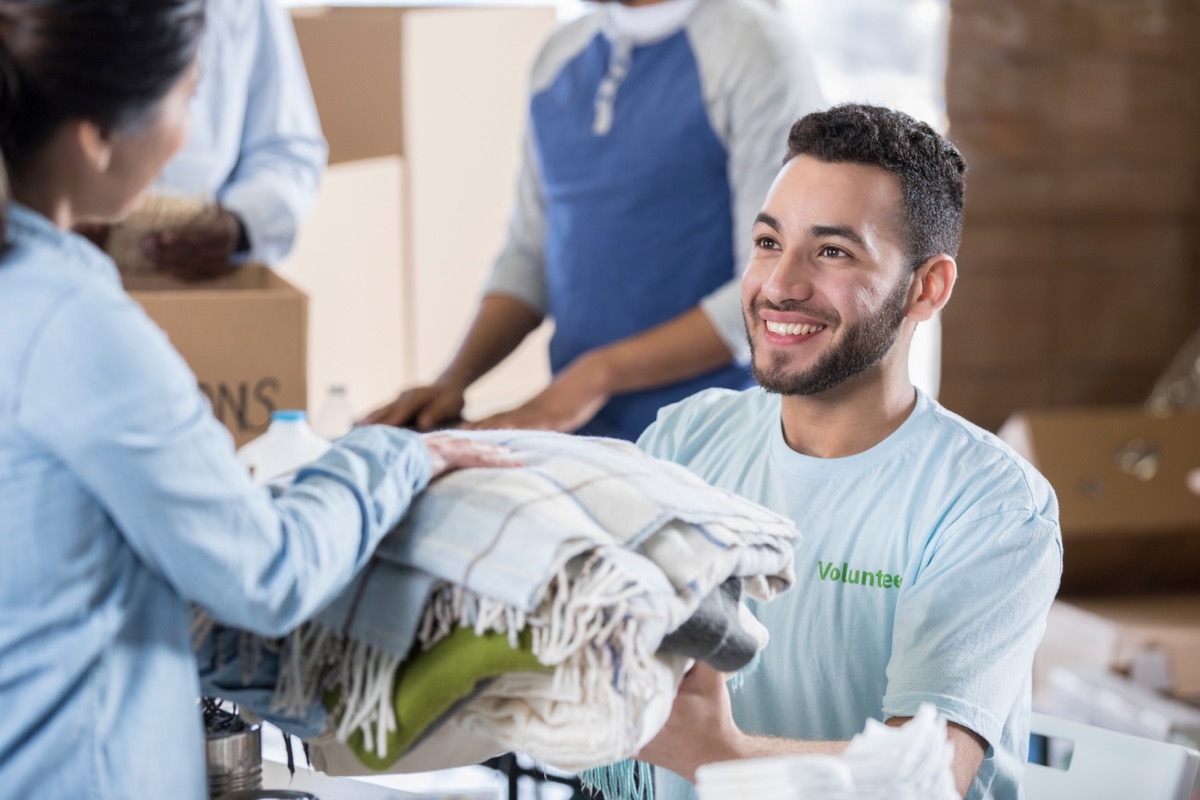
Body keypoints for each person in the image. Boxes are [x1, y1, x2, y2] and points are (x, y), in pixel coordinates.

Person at [0, 3, 508, 798]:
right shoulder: (77, 325)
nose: (187, 135)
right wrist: (393, 458)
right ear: (97, 136)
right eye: (188, 97)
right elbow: (265, 574)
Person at [634, 104, 1063, 800]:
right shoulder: (686, 441)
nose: (780, 285)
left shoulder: (992, 506)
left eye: (832, 251)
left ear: (926, 288)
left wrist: (720, 753)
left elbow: (931, 774)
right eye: (769, 242)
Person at [364, 0, 823, 441]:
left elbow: (771, 286)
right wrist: (454, 379)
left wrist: (596, 375)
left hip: (713, 429)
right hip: (582, 429)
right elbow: (530, 253)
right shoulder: (558, 55)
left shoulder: (756, 50)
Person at [143, 0, 326, 280]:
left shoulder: (246, 8)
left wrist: (240, 222)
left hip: (194, 279)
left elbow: (286, 150)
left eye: (192, 93)